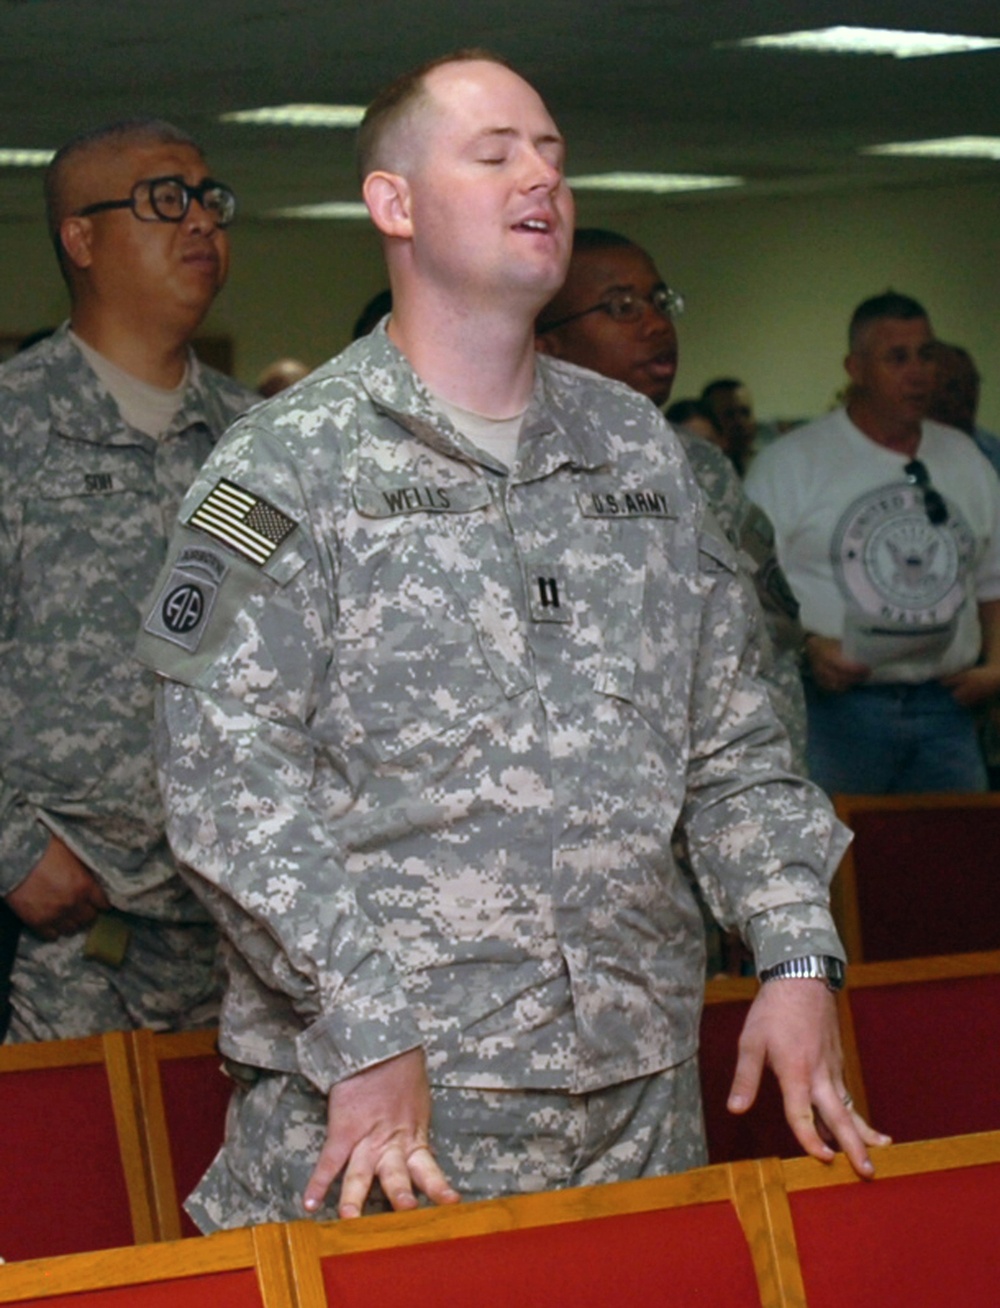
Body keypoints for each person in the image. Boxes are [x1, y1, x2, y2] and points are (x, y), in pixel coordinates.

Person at [138, 51, 883, 1232]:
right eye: (493, 155)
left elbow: (735, 739)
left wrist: (794, 958)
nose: (540, 175)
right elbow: (225, 786)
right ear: (393, 205)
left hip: (639, 1099)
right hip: (397, 1108)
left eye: (551, 153)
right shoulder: (283, 467)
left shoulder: (639, 453)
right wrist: (366, 1027)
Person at [0, 118, 254, 1042]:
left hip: (235, 922)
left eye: (207, 199)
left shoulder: (257, 441)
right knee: (65, 1177)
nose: (199, 221)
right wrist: (14, 853)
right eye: (163, 200)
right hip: (61, 923)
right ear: (80, 238)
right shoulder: (16, 427)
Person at [536, 228, 808, 775]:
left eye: (659, 301)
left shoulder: (701, 470)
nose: (656, 324)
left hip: (703, 800)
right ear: (546, 341)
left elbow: (767, 648)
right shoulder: (506, 474)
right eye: (620, 307)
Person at [746, 292, 1000, 795]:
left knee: (958, 862)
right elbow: (745, 586)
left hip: (946, 707)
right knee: (843, 866)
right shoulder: (793, 462)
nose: (918, 373)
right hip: (837, 710)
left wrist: (996, 666)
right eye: (897, 358)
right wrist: (809, 647)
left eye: (926, 355)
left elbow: (993, 578)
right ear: (856, 368)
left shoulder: (964, 456)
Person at [927, 340, 1000, 478]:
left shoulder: (993, 451)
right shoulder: (903, 449)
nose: (968, 394)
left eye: (973, 381)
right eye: (954, 386)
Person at [700, 377, 758, 475]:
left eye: (745, 412)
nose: (740, 422)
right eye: (729, 415)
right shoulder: (699, 470)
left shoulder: (768, 464)